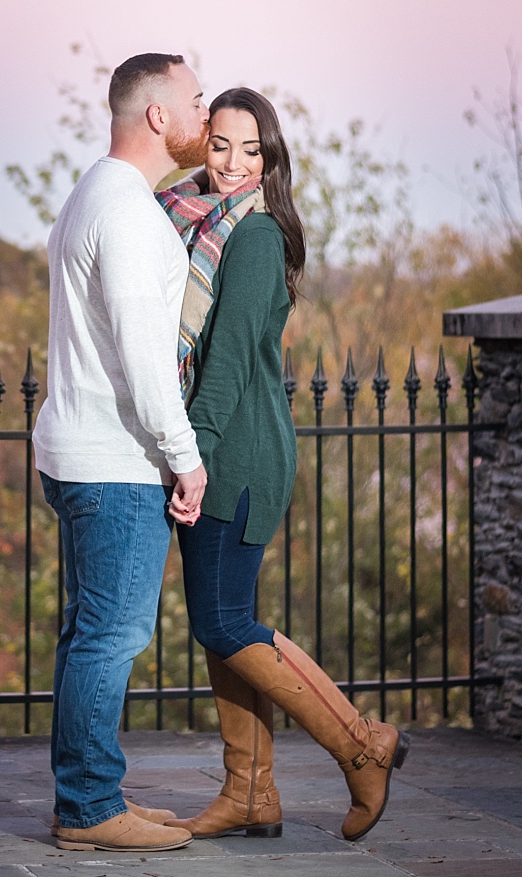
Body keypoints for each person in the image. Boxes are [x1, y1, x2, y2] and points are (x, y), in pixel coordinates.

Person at [157, 87, 408, 844]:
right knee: (219, 623)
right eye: (221, 145)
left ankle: (363, 745)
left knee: (227, 619)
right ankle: (251, 792)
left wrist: (188, 458)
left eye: (250, 149)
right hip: (223, 447)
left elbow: (227, 366)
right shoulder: (202, 222)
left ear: (270, 159)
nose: (232, 163)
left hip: (237, 452)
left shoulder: (254, 237)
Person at [33, 52, 213, 854]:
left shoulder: (89, 195)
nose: (205, 116)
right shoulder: (132, 213)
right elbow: (146, 355)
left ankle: (90, 788)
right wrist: (186, 455)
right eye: (197, 100)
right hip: (116, 461)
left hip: (78, 453)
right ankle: (90, 806)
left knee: (88, 633)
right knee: (110, 635)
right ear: (157, 116)